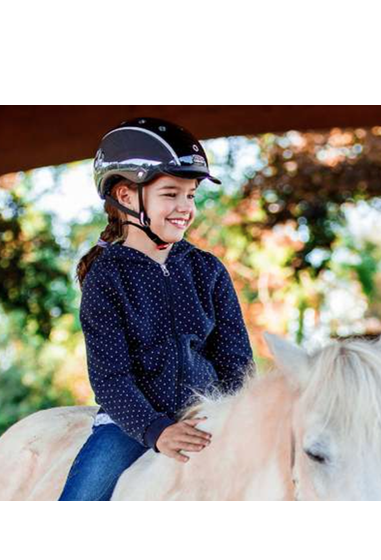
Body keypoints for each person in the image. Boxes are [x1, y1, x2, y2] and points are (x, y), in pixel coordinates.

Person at [59, 117, 254, 500]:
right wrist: (156, 430)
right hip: (131, 424)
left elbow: (236, 362)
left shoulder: (208, 270)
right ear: (127, 196)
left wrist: (231, 413)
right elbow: (111, 377)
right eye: (170, 194)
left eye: (191, 195)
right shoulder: (106, 278)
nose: (185, 207)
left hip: (209, 419)